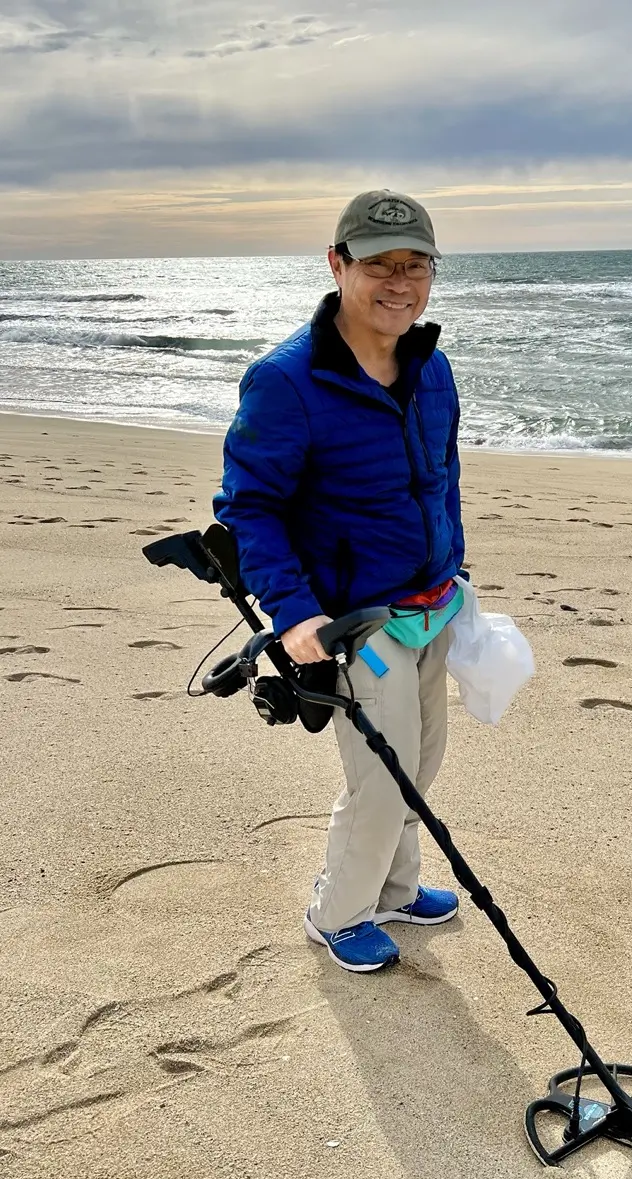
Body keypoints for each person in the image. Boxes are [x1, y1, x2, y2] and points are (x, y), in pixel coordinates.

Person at [213, 189, 467, 974]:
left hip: (430, 602)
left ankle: (393, 885)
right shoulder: (288, 380)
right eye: (379, 264)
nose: (400, 282)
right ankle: (339, 912)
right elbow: (249, 509)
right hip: (355, 620)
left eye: (415, 264)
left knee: (420, 760)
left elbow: (441, 479)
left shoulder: (430, 366)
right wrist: (294, 614)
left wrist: (453, 566)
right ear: (337, 264)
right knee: (380, 773)